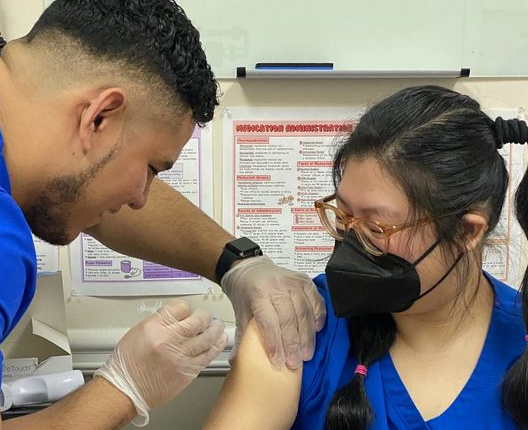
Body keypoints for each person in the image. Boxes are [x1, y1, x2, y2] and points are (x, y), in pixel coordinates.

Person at [0, 0, 326, 428]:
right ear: (98, 117)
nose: (140, 199)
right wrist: (123, 388)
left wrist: (236, 261)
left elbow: (89, 190)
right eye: (152, 168)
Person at [204, 85, 528, 430]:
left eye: (376, 227)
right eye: (342, 216)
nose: (352, 243)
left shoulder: (518, 341)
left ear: (466, 232)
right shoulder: (301, 327)